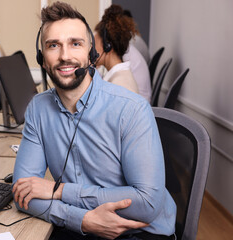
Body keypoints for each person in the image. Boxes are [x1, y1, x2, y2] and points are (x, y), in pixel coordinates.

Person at [12, 2, 176, 240]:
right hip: (81, 227)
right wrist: (84, 221)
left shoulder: (131, 109)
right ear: (42, 58)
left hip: (140, 232)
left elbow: (147, 204)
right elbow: (23, 194)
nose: (65, 56)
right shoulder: (38, 109)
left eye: (75, 44)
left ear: (92, 54)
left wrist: (60, 192)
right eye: (53, 45)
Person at [94, 4, 139, 94]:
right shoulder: (119, 76)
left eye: (93, 44)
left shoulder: (118, 84)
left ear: (108, 46)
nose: (90, 49)